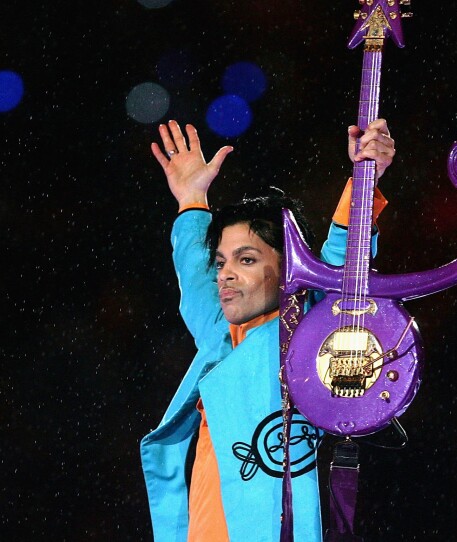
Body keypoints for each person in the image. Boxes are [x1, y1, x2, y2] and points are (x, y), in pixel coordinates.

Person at [140, 119, 395, 542]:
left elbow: (343, 264)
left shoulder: (309, 332)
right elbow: (193, 271)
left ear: (290, 269)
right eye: (221, 263)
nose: (225, 275)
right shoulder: (220, 338)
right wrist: (190, 200)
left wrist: (363, 180)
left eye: (247, 260)